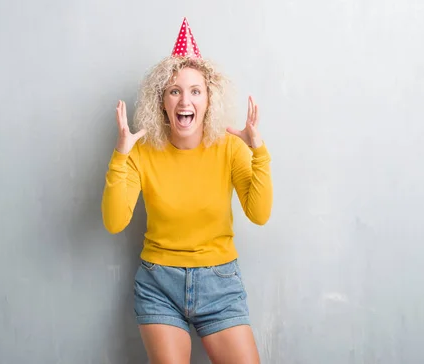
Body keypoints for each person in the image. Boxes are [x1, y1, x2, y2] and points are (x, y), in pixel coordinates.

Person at [101, 17, 272, 364]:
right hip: (158, 285)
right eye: (174, 90)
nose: (184, 100)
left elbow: (259, 214)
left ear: (208, 100)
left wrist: (259, 152)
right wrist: (120, 157)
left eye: (195, 90)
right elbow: (115, 222)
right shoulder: (142, 151)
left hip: (220, 285)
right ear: (161, 101)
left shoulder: (229, 147)